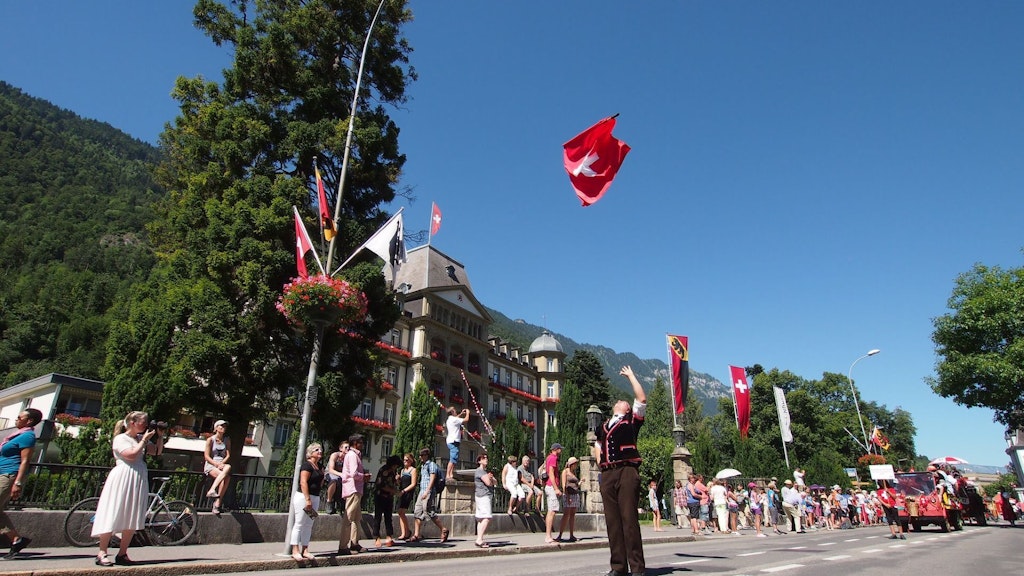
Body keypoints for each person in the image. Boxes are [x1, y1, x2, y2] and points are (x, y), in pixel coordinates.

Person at [91, 411, 163, 566]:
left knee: (132, 515)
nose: (145, 425)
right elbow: (130, 455)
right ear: (132, 422)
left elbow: (156, 452)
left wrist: (160, 436)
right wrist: (143, 440)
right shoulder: (120, 438)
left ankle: (123, 553)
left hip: (138, 478)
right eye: (143, 422)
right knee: (113, 511)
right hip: (123, 476)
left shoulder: (139, 439)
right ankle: (102, 552)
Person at [595, 365, 647, 576]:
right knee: (612, 521)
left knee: (629, 519)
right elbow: (597, 443)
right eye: (619, 401)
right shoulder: (604, 425)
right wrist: (600, 459)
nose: (620, 401)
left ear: (627, 409)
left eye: (624, 402)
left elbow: (641, 398)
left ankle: (637, 568)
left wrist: (631, 376)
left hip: (627, 471)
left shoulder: (631, 421)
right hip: (608, 473)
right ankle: (618, 567)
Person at [0, 408, 42, 559]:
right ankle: (17, 540)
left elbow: (25, 460)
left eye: (19, 417)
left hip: (9, 475)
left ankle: (17, 540)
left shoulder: (27, 436)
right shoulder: (16, 435)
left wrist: (17, 482)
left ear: (29, 421)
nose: (16, 420)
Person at [290, 442, 324, 561]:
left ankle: (305, 549)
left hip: (315, 496)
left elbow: (321, 481)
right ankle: (295, 549)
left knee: (309, 524)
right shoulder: (307, 466)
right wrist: (307, 499)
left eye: (320, 449)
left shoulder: (319, 467)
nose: (319, 451)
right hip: (303, 497)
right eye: (316, 450)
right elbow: (303, 482)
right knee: (299, 523)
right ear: (310, 453)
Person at [338, 434, 370, 555]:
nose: (362, 444)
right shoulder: (352, 455)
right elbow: (354, 473)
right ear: (355, 443)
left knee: (356, 518)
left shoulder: (355, 455)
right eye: (361, 442)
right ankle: (343, 545)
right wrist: (364, 476)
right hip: (353, 489)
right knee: (349, 517)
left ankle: (354, 543)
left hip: (356, 489)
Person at [411, 448, 448, 542]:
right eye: (420, 455)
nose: (420, 457)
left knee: (429, 511)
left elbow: (432, 478)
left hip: (428, 491)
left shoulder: (431, 465)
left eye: (422, 455)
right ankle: (416, 535)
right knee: (417, 511)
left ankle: (443, 529)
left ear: (426, 455)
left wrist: (427, 491)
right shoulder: (423, 466)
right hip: (422, 491)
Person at [203, 419, 232, 515]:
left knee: (228, 467)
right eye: (221, 426)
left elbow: (228, 455)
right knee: (226, 477)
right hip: (211, 465)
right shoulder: (210, 440)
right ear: (216, 428)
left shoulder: (226, 440)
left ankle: (212, 489)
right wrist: (216, 464)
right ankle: (217, 503)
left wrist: (221, 463)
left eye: (225, 426)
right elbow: (206, 456)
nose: (223, 428)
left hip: (222, 464)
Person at [372, 455, 401, 548]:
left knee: (388, 517)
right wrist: (394, 491)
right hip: (380, 496)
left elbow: (394, 483)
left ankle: (389, 536)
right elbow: (381, 485)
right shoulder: (384, 470)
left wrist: (397, 480)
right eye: (395, 465)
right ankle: (377, 537)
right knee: (378, 517)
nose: (396, 467)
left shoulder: (393, 472)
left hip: (389, 497)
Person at [473, 454, 496, 547]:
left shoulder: (484, 472)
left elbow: (495, 481)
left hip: (481, 496)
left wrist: (490, 478)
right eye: (483, 458)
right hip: (483, 496)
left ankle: (479, 538)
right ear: (479, 461)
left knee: (481, 518)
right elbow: (489, 483)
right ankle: (479, 539)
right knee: (487, 517)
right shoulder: (480, 471)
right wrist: (490, 479)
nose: (486, 459)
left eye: (486, 458)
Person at [543, 443, 565, 544]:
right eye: (560, 449)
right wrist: (556, 488)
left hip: (550, 486)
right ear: (556, 449)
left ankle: (548, 535)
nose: (561, 451)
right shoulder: (553, 458)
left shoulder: (549, 458)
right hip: (551, 487)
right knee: (552, 511)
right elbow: (551, 473)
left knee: (551, 511)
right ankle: (548, 536)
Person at [558, 456, 581, 541]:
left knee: (572, 515)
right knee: (566, 515)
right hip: (568, 495)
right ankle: (560, 535)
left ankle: (571, 535)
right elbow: (564, 485)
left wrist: (580, 482)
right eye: (575, 463)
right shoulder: (565, 472)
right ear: (572, 464)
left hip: (575, 494)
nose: (576, 465)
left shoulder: (573, 472)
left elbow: (575, 484)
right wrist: (567, 496)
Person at [396, 453, 418, 540]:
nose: (405, 462)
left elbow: (413, 484)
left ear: (411, 461)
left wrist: (405, 490)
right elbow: (400, 483)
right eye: (404, 460)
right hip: (402, 492)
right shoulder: (402, 471)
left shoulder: (413, 470)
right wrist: (398, 480)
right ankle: (404, 532)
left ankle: (407, 532)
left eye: (407, 460)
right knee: (400, 512)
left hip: (407, 492)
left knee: (402, 511)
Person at [444, 406, 470, 481]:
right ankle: (448, 475)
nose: (456, 412)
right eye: (454, 411)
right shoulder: (454, 419)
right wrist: (467, 413)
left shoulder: (450, 419)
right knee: (453, 458)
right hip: (454, 441)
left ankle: (451, 474)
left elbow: (457, 418)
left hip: (452, 440)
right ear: (452, 412)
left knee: (454, 458)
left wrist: (461, 414)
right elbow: (466, 420)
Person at [324, 441, 349, 514]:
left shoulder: (348, 458)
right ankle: (329, 501)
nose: (348, 449)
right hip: (330, 473)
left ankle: (341, 503)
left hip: (341, 476)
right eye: (346, 447)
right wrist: (341, 474)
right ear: (341, 448)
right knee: (334, 480)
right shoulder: (335, 455)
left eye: (349, 448)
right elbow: (331, 469)